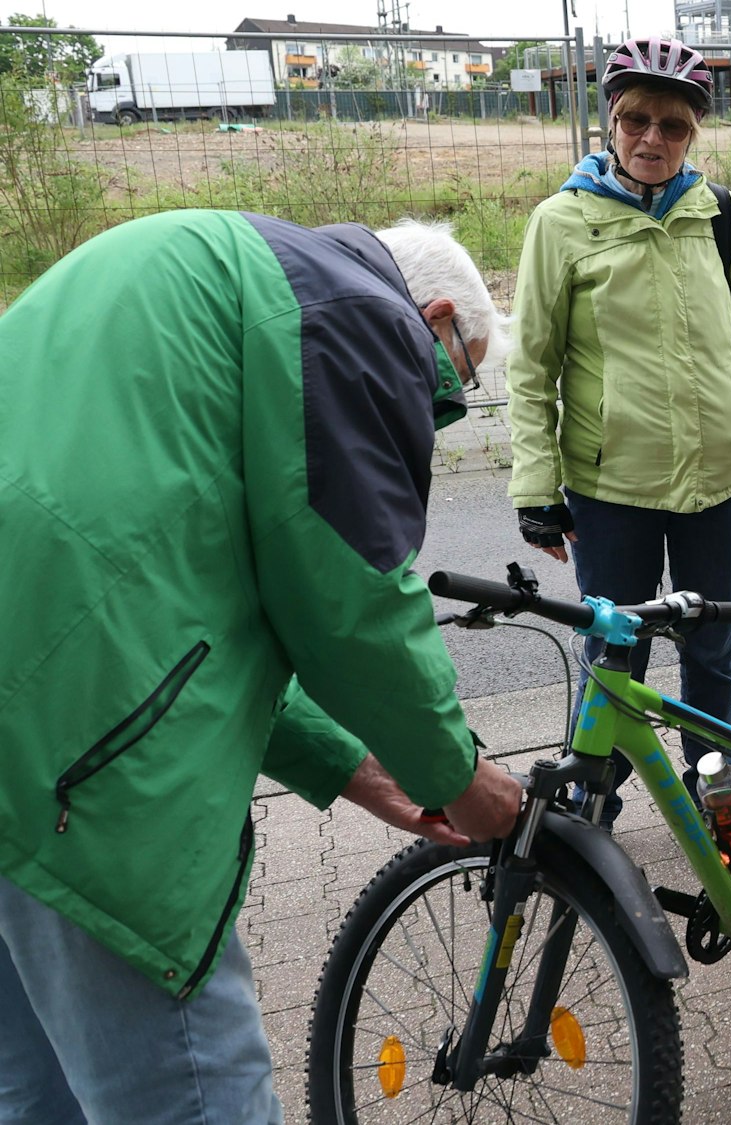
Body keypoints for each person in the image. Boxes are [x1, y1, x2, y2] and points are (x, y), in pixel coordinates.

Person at [0, 210, 524, 1123]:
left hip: (42, 681)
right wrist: (457, 774)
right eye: (458, 380)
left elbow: (186, 607)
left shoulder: (219, 272)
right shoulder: (357, 314)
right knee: (193, 1085)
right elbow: (351, 600)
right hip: (74, 747)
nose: (440, 408)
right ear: (434, 317)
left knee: (38, 1083)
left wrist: (358, 767)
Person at [506, 36, 731, 810]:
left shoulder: (721, 214)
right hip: (611, 487)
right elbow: (531, 365)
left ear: (693, 132)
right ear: (610, 123)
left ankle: (715, 786)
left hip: (719, 479)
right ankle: (596, 794)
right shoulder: (561, 222)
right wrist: (535, 487)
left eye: (673, 125)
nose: (652, 139)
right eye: (635, 120)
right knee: (611, 649)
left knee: (714, 652)